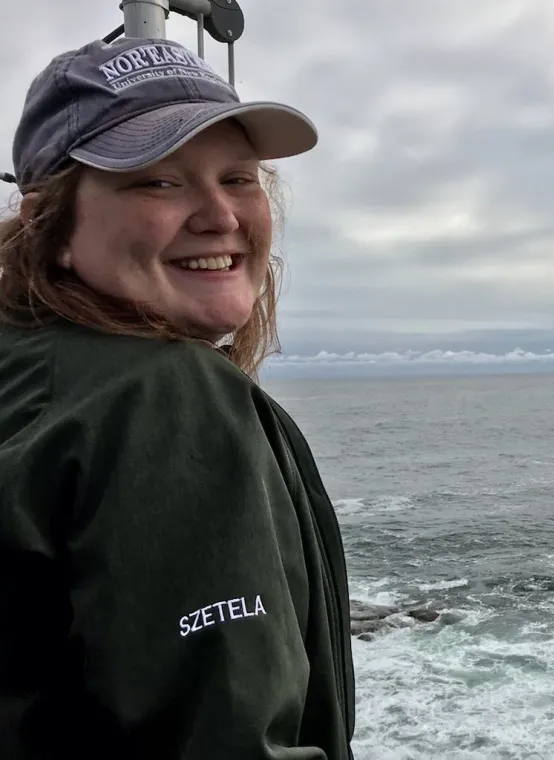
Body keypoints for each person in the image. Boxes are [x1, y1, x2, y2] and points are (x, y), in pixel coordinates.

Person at [0, 36, 355, 759]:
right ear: (53, 225)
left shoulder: (26, 373)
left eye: (240, 178)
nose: (219, 215)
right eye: (158, 182)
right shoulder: (164, 398)